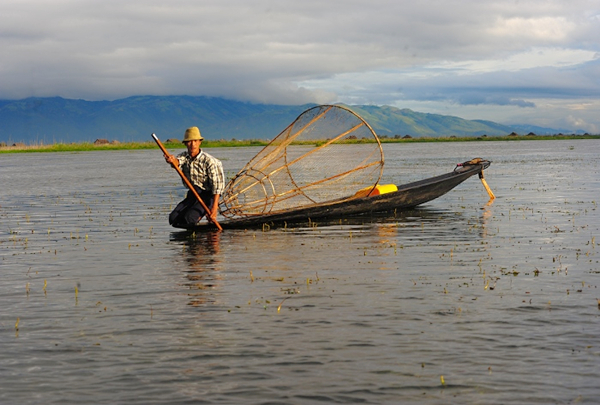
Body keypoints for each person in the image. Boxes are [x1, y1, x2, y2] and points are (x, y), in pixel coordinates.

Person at [164, 126, 225, 228]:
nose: (192, 144)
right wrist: (171, 160)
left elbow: (217, 188)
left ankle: (198, 234)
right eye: (189, 142)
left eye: (195, 141)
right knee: (173, 219)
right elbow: (177, 161)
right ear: (185, 144)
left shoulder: (210, 161)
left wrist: (214, 210)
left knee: (189, 219)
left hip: (208, 195)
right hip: (193, 194)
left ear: (200, 142)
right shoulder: (184, 156)